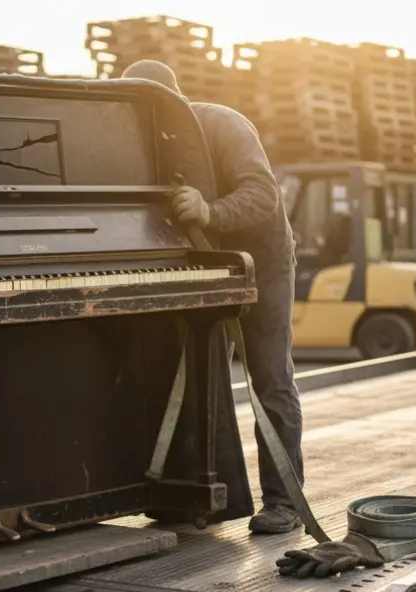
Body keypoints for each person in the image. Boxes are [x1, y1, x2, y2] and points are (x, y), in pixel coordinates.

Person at [121, 59, 305, 535]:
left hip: (262, 263)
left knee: (269, 378)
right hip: (205, 267)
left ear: (175, 105)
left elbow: (262, 194)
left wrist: (210, 210)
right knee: (201, 377)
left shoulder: (224, 125)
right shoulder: (142, 143)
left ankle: (285, 503)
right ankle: (204, 496)